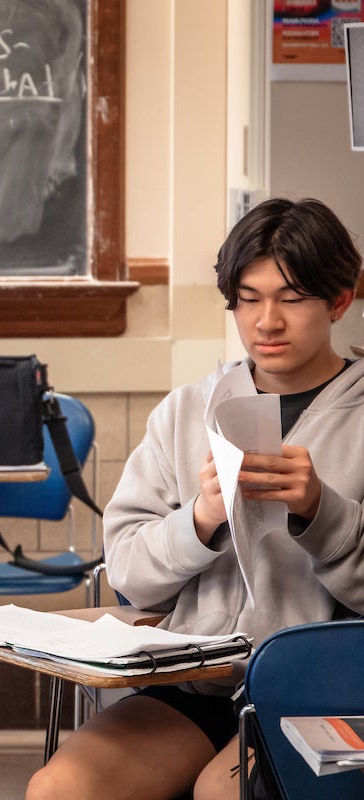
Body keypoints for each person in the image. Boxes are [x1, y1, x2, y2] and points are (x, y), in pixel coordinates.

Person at [26, 197, 364, 800]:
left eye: (290, 298)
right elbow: (129, 568)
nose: (267, 321)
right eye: (248, 298)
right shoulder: (187, 410)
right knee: (61, 790)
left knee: (220, 792)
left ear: (339, 300)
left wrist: (321, 512)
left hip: (322, 688)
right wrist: (201, 520)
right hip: (195, 686)